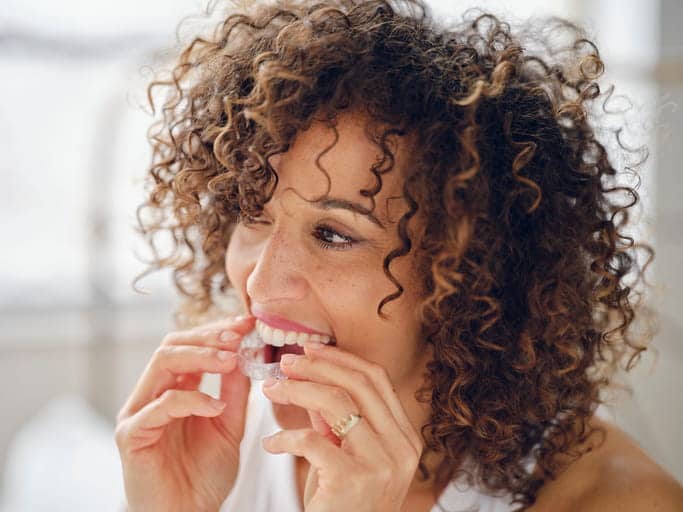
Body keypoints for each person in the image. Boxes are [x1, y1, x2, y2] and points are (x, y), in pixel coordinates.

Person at [114, 1, 683, 510]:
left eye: (334, 235)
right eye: (252, 215)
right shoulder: (213, 441)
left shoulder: (621, 499)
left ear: (464, 273)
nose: (260, 284)